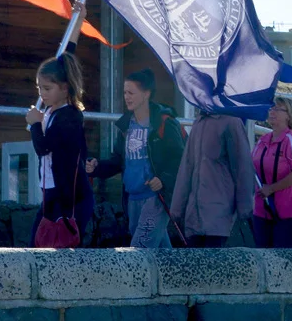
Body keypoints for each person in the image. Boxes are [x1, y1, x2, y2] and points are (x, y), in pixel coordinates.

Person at [86, 69, 184, 248]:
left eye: (131, 92)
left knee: (139, 250)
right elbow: (117, 161)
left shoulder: (164, 123)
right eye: (125, 92)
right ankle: (177, 268)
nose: (126, 97)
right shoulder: (126, 126)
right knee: (160, 252)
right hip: (132, 198)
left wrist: (162, 180)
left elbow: (178, 158)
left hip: (156, 197)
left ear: (146, 94)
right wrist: (97, 167)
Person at [26, 53, 93, 246]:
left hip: (69, 196)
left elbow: (44, 147)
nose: (42, 93)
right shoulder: (49, 112)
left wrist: (35, 124)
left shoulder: (70, 116)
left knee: (62, 246)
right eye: (39, 88)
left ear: (65, 88)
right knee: (37, 244)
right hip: (50, 192)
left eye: (47, 88)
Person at [170, 107, 255, 248]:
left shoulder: (231, 122)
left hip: (219, 213)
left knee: (214, 260)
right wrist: (177, 209)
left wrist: (245, 209)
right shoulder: (199, 122)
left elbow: (242, 167)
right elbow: (186, 168)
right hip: (193, 215)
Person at [250, 96, 292, 249]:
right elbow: (251, 167)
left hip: (289, 212)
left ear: (289, 115)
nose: (272, 112)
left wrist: (271, 188)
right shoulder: (263, 140)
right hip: (262, 211)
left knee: (282, 257)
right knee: (263, 256)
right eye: (271, 108)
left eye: (277, 109)